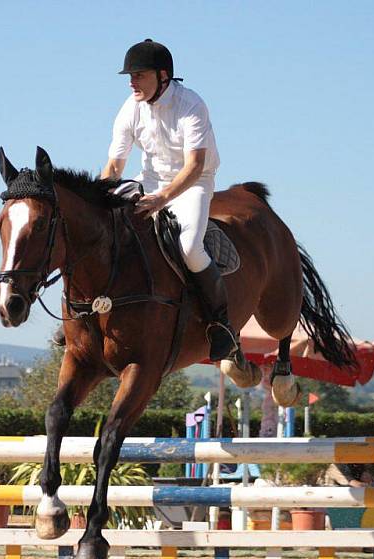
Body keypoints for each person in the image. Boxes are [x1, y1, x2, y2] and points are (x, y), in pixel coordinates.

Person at [99, 38, 237, 361]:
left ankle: (222, 323)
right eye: (130, 76)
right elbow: (115, 166)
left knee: (190, 247)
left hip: (193, 184)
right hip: (148, 181)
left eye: (139, 75)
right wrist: (100, 200)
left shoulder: (191, 105)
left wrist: (161, 198)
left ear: (163, 76)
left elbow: (195, 165)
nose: (132, 82)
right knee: (102, 226)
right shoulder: (130, 108)